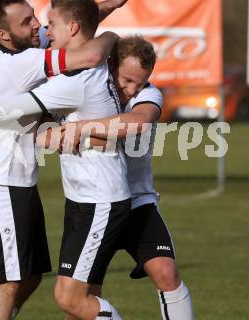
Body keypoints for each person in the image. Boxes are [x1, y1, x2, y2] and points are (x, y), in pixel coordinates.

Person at [0, 0, 142, 320]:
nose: (38, 25)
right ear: (4, 33)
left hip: (19, 183)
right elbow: (89, 53)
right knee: (7, 283)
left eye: (37, 18)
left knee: (29, 277)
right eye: (27, 21)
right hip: (0, 180)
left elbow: (76, 24)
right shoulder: (29, 60)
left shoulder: (8, 50)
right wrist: (111, 35)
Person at [57, 36, 195, 320]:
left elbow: (137, 123)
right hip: (93, 204)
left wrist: (80, 128)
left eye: (140, 83)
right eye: (127, 79)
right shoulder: (90, 89)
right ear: (111, 65)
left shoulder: (149, 95)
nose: (132, 90)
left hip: (136, 201)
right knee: (81, 300)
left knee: (166, 272)